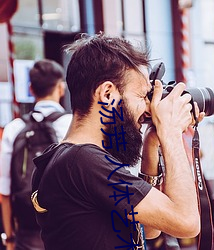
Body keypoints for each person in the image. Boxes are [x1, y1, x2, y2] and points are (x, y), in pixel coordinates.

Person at [31, 33, 202, 250]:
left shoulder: (68, 159)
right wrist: (172, 132)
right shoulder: (84, 163)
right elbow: (186, 222)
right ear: (107, 93)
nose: (149, 109)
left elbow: (150, 229)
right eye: (142, 96)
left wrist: (151, 144)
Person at [0, 59, 72, 250]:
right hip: (67, 230)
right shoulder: (71, 124)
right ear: (60, 88)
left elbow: (5, 191)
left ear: (31, 89)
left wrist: (9, 239)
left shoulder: (14, 128)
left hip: (27, 232)